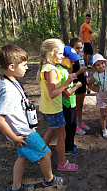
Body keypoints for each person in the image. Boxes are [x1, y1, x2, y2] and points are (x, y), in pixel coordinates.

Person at [0, 44, 64, 191]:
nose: (27, 68)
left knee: (23, 157)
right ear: (12, 66)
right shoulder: (8, 89)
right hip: (23, 134)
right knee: (46, 154)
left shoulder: (10, 80)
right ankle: (49, 180)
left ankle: (16, 187)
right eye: (24, 65)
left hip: (20, 132)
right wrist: (14, 138)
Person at [36, 39, 78, 171]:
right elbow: (52, 93)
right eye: (60, 53)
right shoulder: (51, 70)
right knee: (61, 136)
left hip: (47, 108)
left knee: (51, 130)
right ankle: (62, 163)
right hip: (53, 109)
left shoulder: (48, 68)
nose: (62, 56)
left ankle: (39, 156)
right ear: (52, 53)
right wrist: (68, 82)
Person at [56, 45, 82, 155]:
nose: (73, 63)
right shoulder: (62, 72)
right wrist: (77, 86)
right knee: (70, 126)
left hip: (70, 103)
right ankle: (68, 148)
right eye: (71, 60)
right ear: (63, 58)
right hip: (67, 104)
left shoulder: (63, 70)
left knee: (71, 126)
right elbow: (67, 93)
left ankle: (69, 143)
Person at [88, 54, 107, 138]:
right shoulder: (95, 76)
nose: (101, 66)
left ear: (105, 63)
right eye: (98, 64)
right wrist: (94, 89)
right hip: (101, 98)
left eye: (102, 63)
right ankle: (104, 129)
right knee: (103, 114)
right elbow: (90, 84)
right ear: (95, 67)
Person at [70, 38, 91, 135]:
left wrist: (88, 85)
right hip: (75, 84)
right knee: (76, 106)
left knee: (81, 105)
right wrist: (79, 72)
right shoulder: (70, 60)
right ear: (71, 48)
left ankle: (80, 121)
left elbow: (85, 72)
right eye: (77, 48)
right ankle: (75, 125)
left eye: (81, 48)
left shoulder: (81, 57)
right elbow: (69, 75)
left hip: (83, 83)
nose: (79, 50)